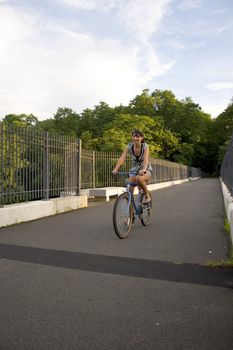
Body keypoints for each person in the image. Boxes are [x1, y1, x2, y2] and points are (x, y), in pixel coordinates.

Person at [113, 129, 152, 204]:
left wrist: (143, 169)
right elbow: (122, 158)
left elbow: (145, 159)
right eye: (134, 136)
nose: (135, 138)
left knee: (139, 178)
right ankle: (131, 214)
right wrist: (116, 169)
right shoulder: (129, 146)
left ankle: (147, 196)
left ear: (142, 138)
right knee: (130, 191)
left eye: (138, 137)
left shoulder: (145, 146)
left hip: (145, 169)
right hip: (134, 170)